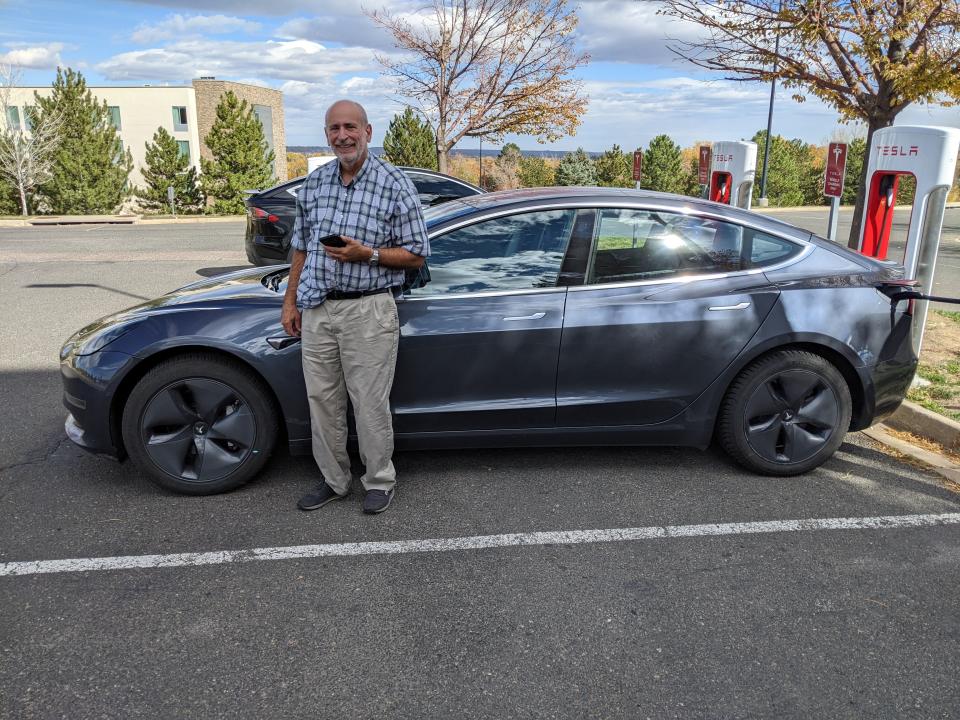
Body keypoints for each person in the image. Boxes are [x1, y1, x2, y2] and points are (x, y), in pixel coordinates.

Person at [281, 99, 429, 514]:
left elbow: (418, 253)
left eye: (350, 127)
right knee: (322, 401)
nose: (342, 135)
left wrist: (370, 256)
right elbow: (300, 247)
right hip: (318, 310)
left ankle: (379, 480)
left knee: (368, 403)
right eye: (334, 129)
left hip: (369, 310)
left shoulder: (394, 184)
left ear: (368, 131)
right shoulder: (315, 184)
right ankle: (334, 480)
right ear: (327, 135)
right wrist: (290, 301)